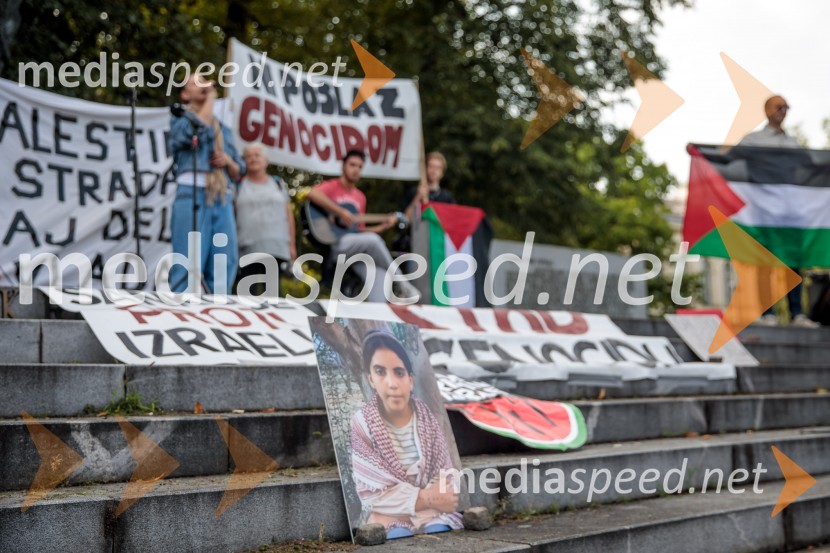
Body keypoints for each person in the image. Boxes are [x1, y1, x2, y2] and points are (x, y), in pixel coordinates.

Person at [350, 330, 462, 539]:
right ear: (371, 379)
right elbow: (373, 493)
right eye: (380, 372)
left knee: (439, 528)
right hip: (388, 515)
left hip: (431, 515)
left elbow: (446, 478)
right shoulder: (362, 424)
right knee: (394, 531)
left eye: (399, 373)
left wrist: (432, 500)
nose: (392, 383)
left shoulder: (428, 419)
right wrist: (428, 498)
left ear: (410, 380)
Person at [739, 95, 818, 328]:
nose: (783, 111)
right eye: (779, 107)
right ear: (767, 111)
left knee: (793, 262)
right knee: (764, 262)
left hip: (790, 212)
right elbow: (729, 159)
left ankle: (797, 313)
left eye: (786, 108)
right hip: (764, 211)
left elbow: (811, 166)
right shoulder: (754, 140)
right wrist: (701, 153)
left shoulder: (792, 143)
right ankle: (767, 313)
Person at [167, 72, 244, 294]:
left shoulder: (224, 129)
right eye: (195, 82)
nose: (202, 85)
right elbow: (197, 127)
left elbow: (239, 168)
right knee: (187, 258)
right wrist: (211, 97)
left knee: (224, 259)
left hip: (221, 195)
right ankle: (181, 308)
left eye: (204, 81)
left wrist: (228, 160)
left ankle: (219, 309)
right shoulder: (180, 118)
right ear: (184, 94)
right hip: (192, 193)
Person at [306, 150, 419, 302]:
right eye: (352, 165)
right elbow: (312, 194)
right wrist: (340, 211)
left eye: (360, 166)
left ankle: (379, 316)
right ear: (343, 166)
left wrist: (382, 227)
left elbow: (359, 230)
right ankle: (401, 281)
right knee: (373, 240)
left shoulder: (360, 197)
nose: (356, 169)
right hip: (335, 245)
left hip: (356, 250)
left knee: (380, 275)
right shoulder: (332, 187)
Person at [234, 144, 296, 296]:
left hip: (276, 248)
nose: (253, 158)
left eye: (257, 155)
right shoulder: (238, 184)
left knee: (272, 296)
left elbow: (288, 215)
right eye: (249, 156)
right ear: (244, 161)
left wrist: (292, 245)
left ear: (266, 160)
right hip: (247, 249)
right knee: (247, 295)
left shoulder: (278, 183)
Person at [402, 151, 455, 223]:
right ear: (425, 169)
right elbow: (406, 219)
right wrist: (418, 197)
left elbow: (451, 221)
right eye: (431, 166)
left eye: (437, 168)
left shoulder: (447, 198)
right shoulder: (413, 192)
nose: (433, 171)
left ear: (442, 173)